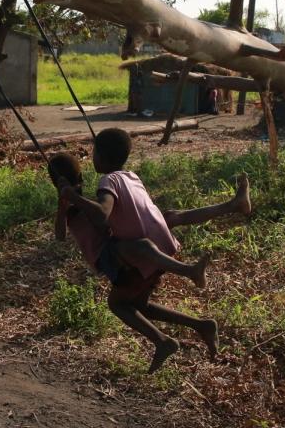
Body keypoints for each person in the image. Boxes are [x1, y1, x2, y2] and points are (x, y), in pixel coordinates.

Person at [48, 128, 252, 373]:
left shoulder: (103, 188)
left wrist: (73, 196)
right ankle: (202, 326)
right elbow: (60, 234)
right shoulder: (126, 180)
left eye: (93, 152)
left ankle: (179, 296)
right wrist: (64, 204)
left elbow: (102, 216)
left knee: (119, 301)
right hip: (149, 254)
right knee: (169, 223)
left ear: (99, 156)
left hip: (125, 261)